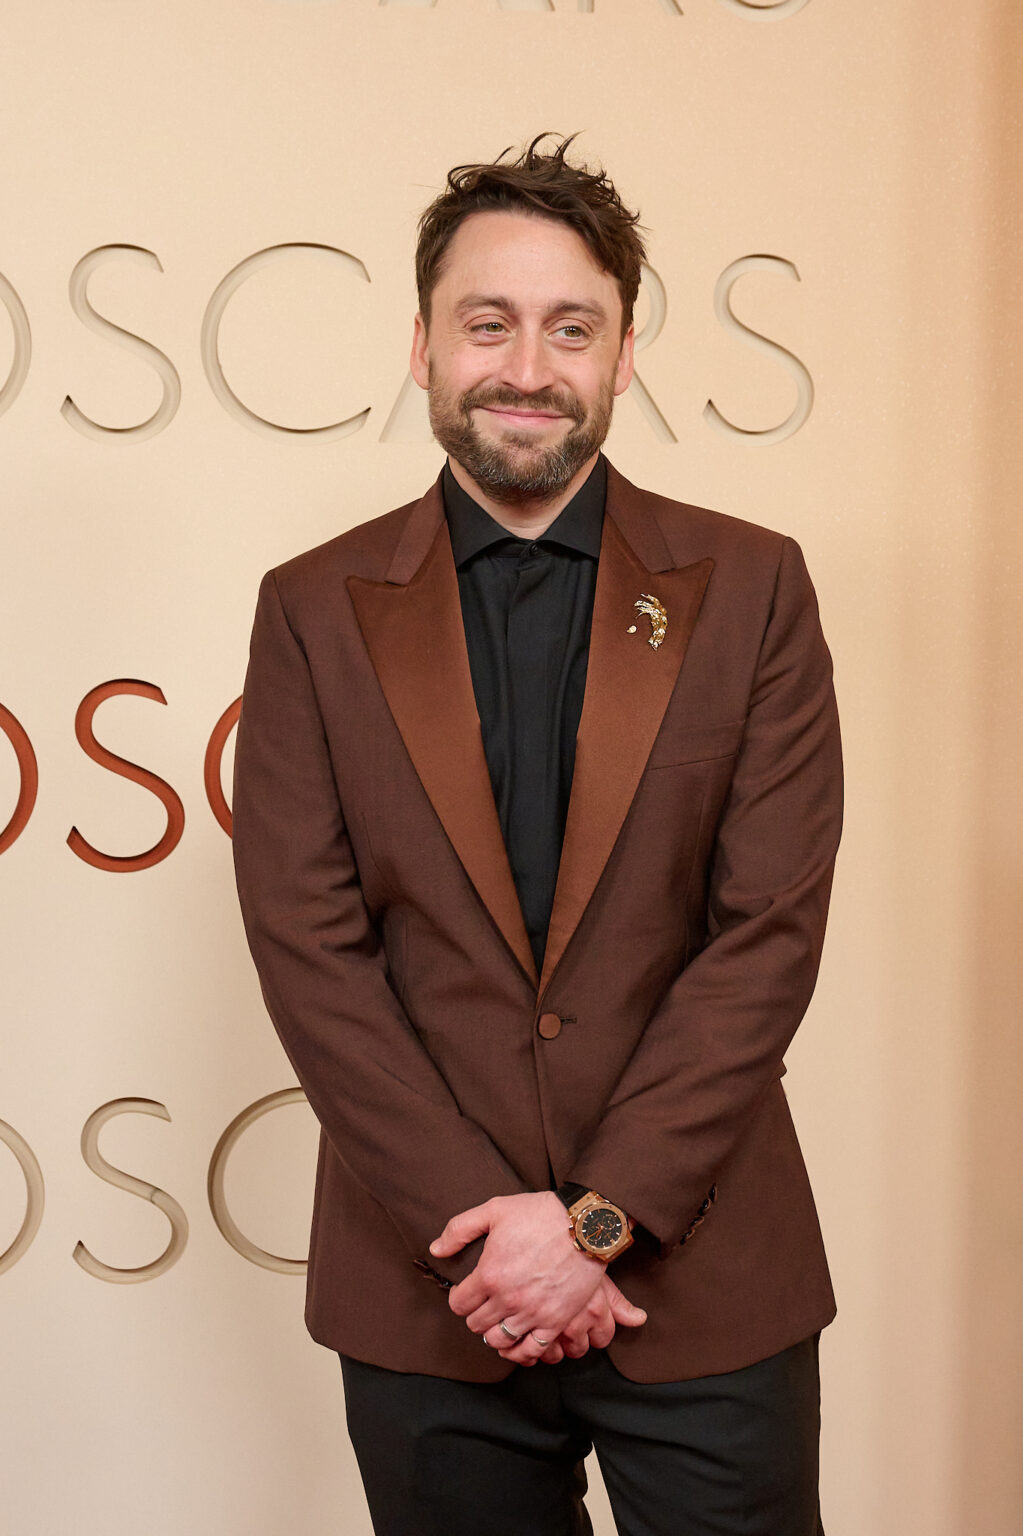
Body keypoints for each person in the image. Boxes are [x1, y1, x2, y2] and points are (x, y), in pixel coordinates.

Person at [232, 133, 842, 1536]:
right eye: (486, 323)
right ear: (423, 346)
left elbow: (769, 933)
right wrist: (492, 1230)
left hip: (706, 1279)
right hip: (433, 1283)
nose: (526, 365)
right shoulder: (313, 609)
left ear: (623, 353)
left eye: (572, 327)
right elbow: (308, 948)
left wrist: (600, 1223)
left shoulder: (751, 589)